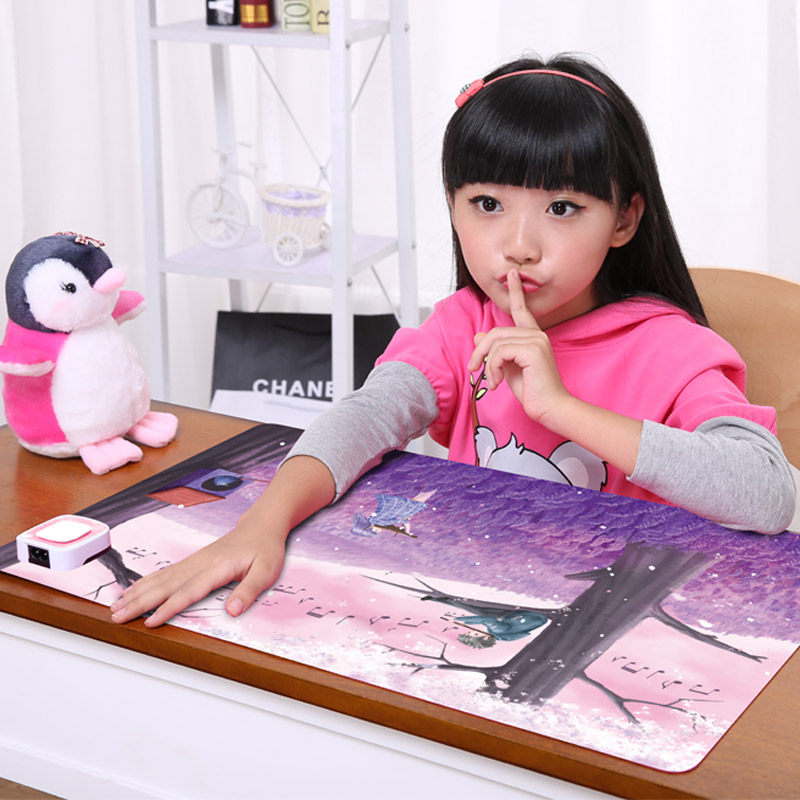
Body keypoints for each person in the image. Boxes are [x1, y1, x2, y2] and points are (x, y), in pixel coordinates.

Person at [111, 54, 796, 628]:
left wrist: (560, 408)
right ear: (452, 206)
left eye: (562, 208)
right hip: (476, 598)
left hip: (618, 623)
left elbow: (766, 494)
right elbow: (368, 415)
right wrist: (262, 524)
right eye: (487, 204)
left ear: (624, 219)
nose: (519, 245)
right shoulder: (463, 324)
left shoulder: (671, 349)